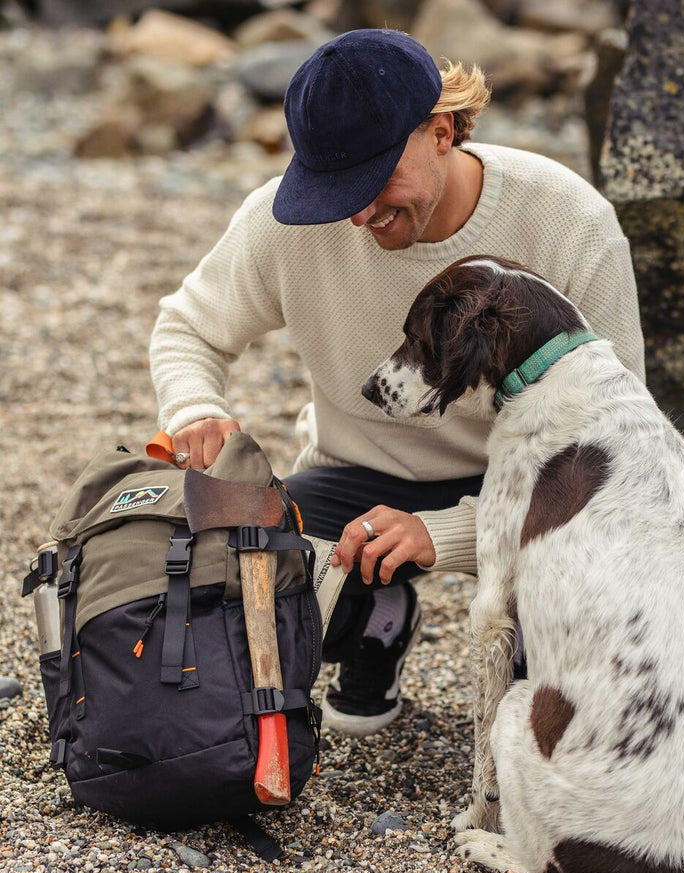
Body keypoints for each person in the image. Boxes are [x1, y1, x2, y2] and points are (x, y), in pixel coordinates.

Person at [149, 28, 645, 738]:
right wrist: (196, 407)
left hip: (535, 486)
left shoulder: (569, 222)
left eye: (374, 179)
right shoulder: (283, 224)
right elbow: (187, 327)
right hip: (357, 474)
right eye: (334, 187)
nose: (357, 213)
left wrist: (443, 533)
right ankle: (375, 622)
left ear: (441, 131)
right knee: (241, 581)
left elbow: (615, 458)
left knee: (554, 697)